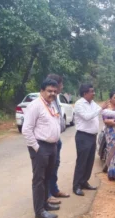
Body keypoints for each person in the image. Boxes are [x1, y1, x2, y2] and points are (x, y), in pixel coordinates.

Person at [73, 84, 115, 196]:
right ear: (85, 93)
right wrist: (101, 108)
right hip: (83, 136)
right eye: (92, 91)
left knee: (89, 161)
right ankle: (76, 185)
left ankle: (84, 182)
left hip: (92, 136)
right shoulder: (79, 104)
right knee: (81, 162)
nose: (94, 93)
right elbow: (87, 116)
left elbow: (105, 112)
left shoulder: (92, 103)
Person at [22, 78, 61, 218]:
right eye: (49, 91)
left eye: (55, 91)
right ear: (42, 91)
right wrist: (37, 148)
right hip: (40, 147)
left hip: (52, 146)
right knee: (39, 179)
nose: (52, 94)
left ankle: (45, 204)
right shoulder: (35, 105)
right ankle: (39, 211)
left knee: (48, 177)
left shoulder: (51, 105)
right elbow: (26, 130)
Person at [45, 74, 70, 206]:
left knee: (55, 165)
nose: (62, 87)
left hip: (56, 139)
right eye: (61, 84)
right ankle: (47, 195)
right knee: (48, 169)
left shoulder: (56, 100)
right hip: (47, 142)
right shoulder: (45, 102)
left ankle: (54, 190)